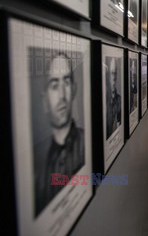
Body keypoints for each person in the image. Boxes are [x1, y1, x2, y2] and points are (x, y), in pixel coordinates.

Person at [35, 53, 85, 215]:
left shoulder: (87, 144)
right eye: (55, 85)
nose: (62, 95)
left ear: (74, 89)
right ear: (44, 101)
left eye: (67, 82)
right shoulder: (37, 165)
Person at [106, 58, 122, 138]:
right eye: (112, 73)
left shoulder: (119, 100)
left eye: (115, 73)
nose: (114, 77)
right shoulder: (103, 102)